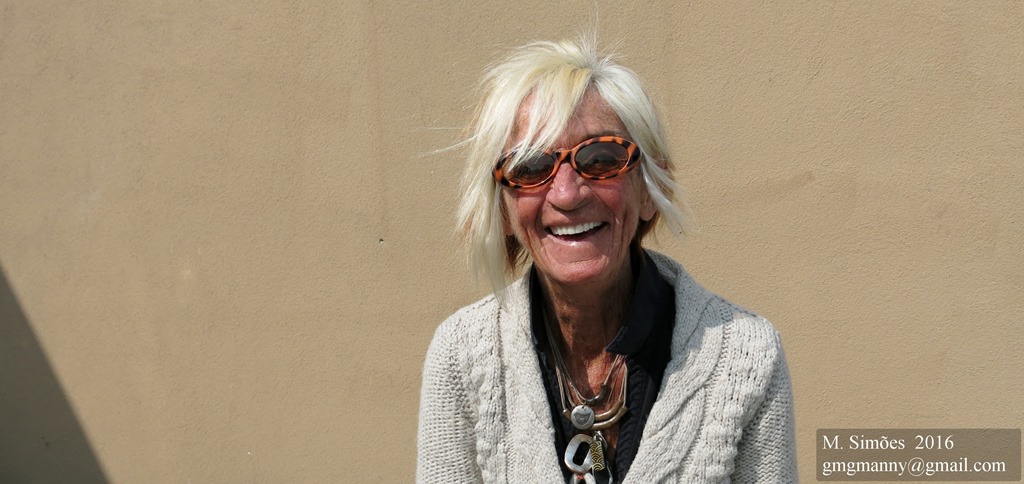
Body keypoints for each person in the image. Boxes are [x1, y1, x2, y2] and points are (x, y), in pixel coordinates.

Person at [417, 36, 796, 483]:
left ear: (651, 189)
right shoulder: (462, 355)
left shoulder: (746, 357)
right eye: (531, 167)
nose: (566, 194)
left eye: (600, 158)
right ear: (502, 209)